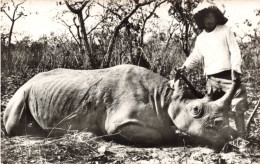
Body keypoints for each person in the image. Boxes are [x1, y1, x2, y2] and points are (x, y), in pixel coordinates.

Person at [178, 0, 248, 138]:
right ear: (202, 20)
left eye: (211, 16)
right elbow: (195, 56)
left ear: (216, 18)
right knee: (215, 111)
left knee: (237, 105)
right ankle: (224, 138)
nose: (209, 20)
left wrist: (235, 70)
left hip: (229, 76)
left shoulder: (225, 31)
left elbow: (235, 51)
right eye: (206, 17)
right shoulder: (201, 38)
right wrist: (184, 67)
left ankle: (242, 137)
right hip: (211, 80)